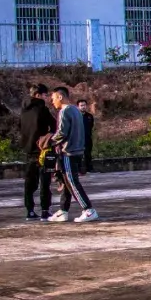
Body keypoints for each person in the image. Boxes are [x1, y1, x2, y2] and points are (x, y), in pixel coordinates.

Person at [48, 87, 98, 223]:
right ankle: (63, 210)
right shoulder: (76, 110)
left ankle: (89, 210)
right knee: (67, 183)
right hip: (78, 151)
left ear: (60, 97)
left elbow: (62, 133)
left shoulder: (64, 111)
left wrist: (49, 141)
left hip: (68, 152)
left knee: (72, 182)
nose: (52, 102)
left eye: (53, 98)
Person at [20, 83, 55, 221]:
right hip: (42, 149)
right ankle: (45, 211)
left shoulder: (23, 109)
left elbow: (20, 127)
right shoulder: (42, 109)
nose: (47, 98)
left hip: (28, 149)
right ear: (38, 95)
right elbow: (54, 125)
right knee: (44, 181)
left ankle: (30, 211)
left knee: (29, 182)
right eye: (46, 95)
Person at [76, 99, 94, 175]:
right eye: (81, 105)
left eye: (84, 105)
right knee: (78, 155)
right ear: (78, 106)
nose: (83, 107)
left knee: (88, 154)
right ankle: (78, 170)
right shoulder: (76, 116)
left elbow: (91, 126)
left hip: (87, 138)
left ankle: (89, 169)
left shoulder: (89, 116)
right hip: (78, 139)